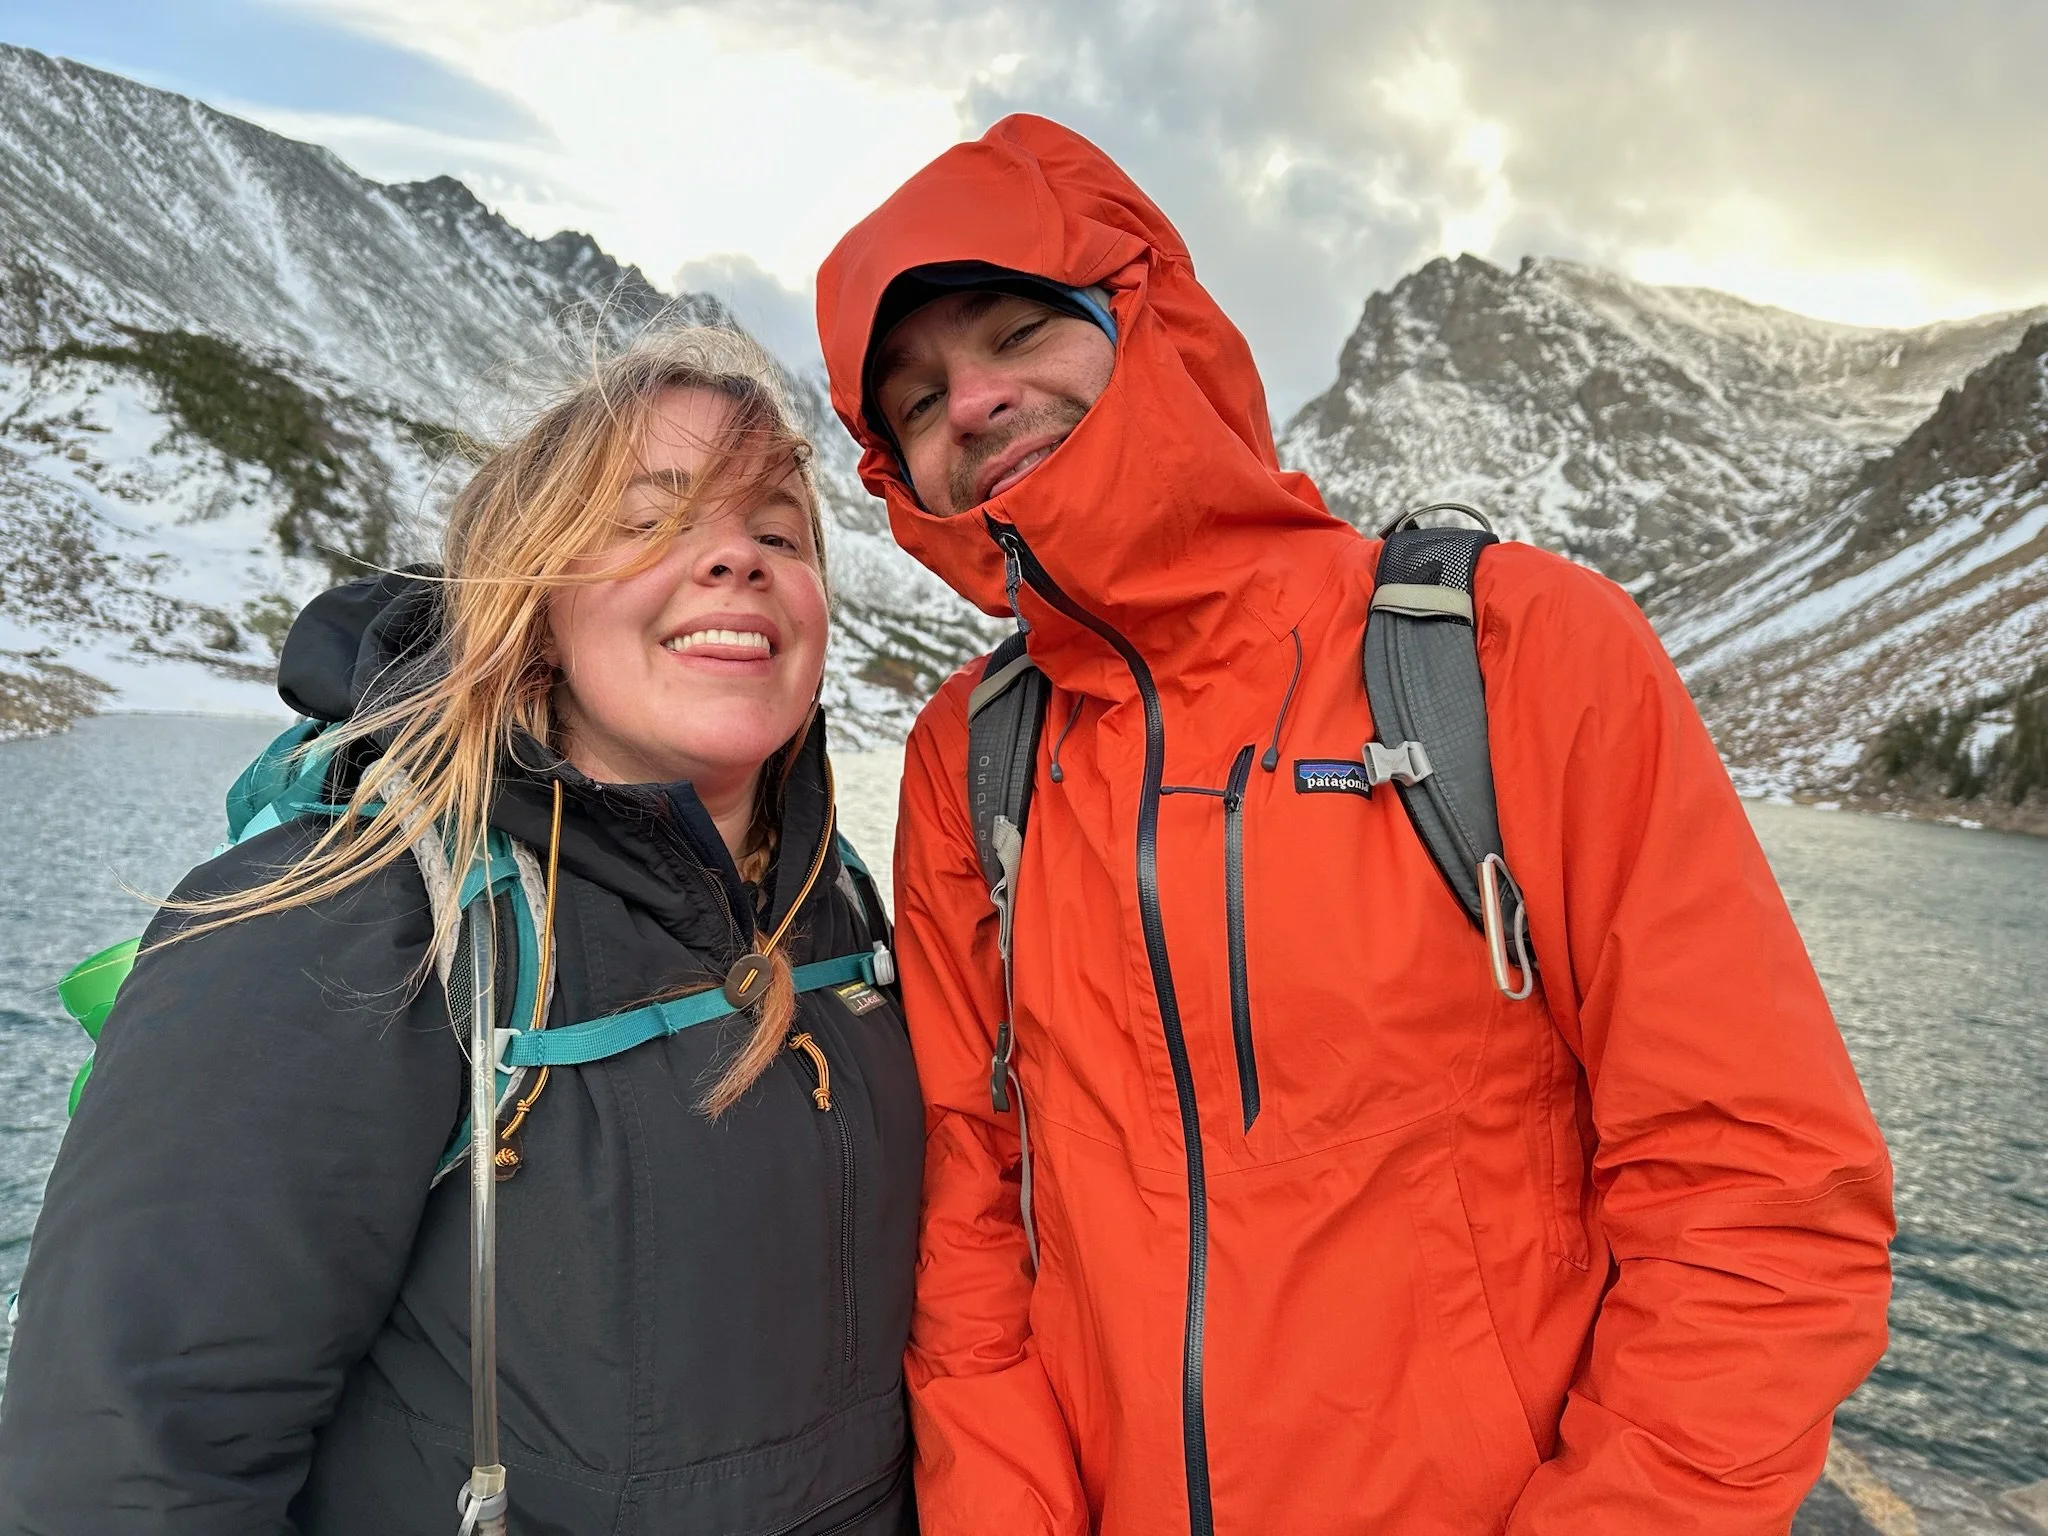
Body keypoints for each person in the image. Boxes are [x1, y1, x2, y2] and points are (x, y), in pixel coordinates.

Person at [814, 116, 1895, 1534]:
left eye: (1021, 332)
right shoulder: (975, 756)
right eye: (914, 401)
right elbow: (969, 1226)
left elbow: (1755, 1201)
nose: (971, 403)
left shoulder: (1516, 651)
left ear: (1150, 319)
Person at [0, 329, 922, 1534]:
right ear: (535, 609)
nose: (736, 559)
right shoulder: (341, 927)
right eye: (649, 523)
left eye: (780, 535)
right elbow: (128, 1472)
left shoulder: (837, 904)